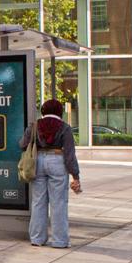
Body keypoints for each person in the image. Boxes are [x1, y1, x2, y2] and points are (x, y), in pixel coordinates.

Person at [24, 98, 81, 249]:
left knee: (38, 201)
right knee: (58, 203)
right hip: (57, 161)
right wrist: (75, 175)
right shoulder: (65, 127)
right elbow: (69, 154)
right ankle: (59, 241)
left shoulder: (34, 126)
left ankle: (37, 238)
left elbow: (22, 144)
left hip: (38, 162)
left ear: (43, 110)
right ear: (59, 112)